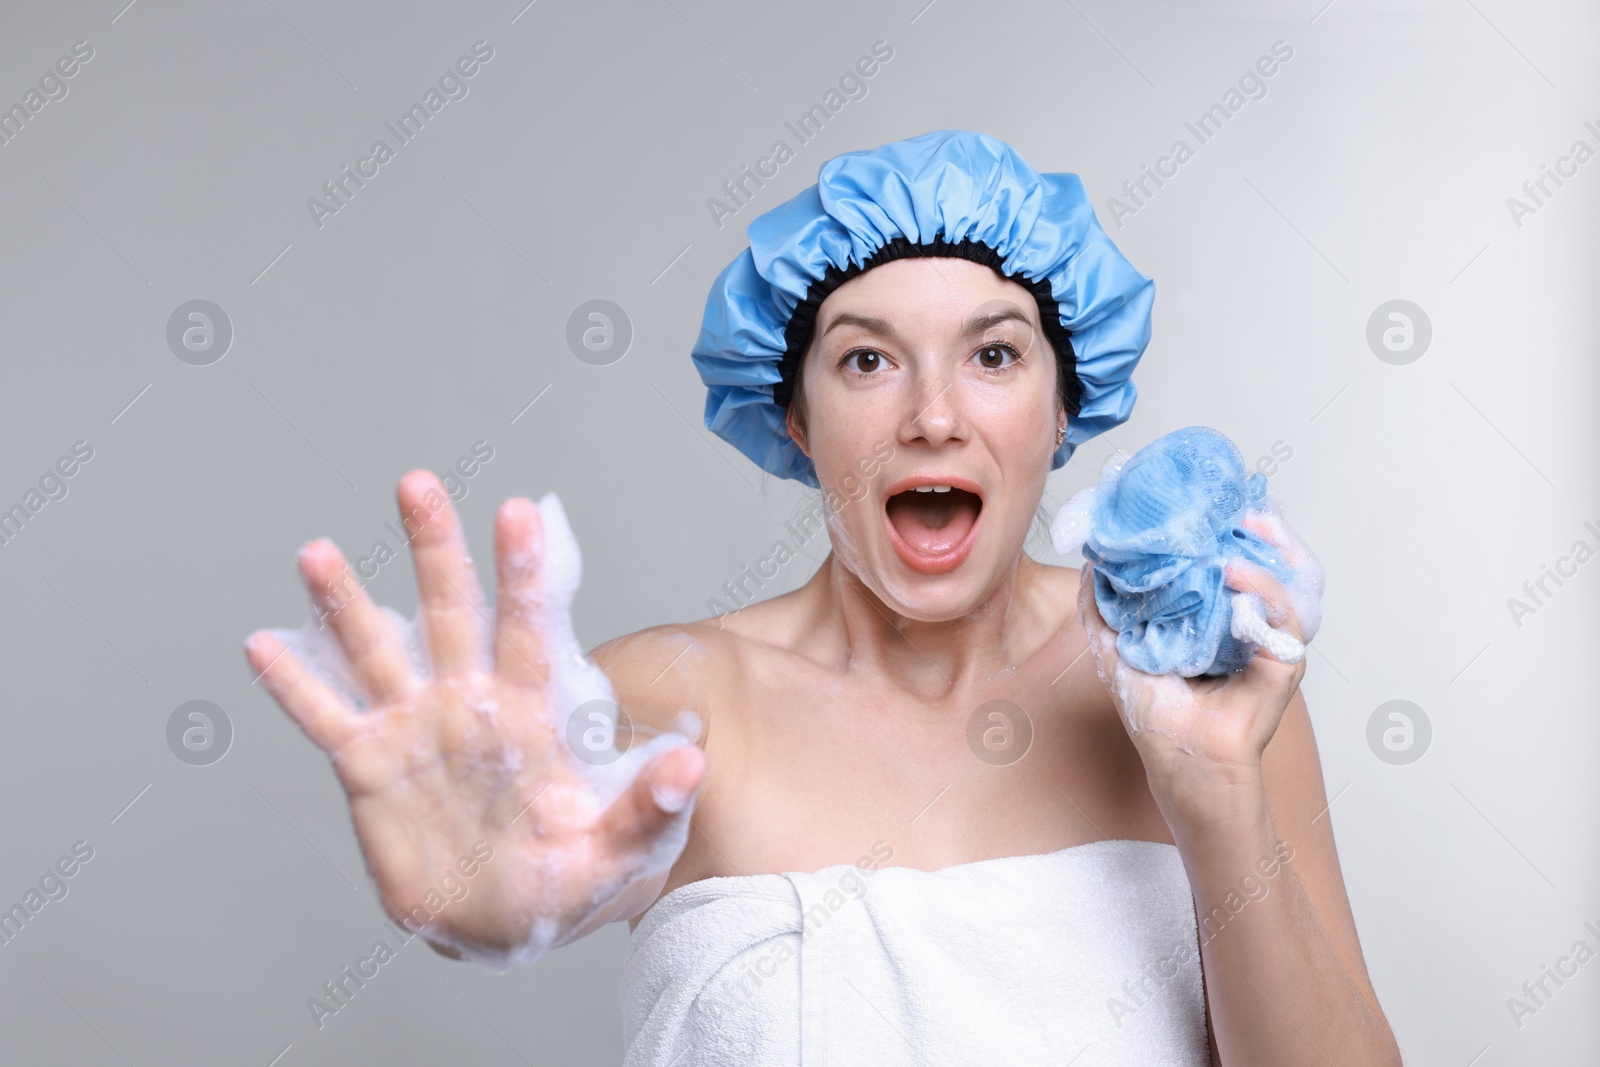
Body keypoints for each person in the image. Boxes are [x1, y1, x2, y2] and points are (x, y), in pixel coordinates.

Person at [244, 130, 1401, 1065]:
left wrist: (1215, 799)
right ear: (793, 418)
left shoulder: (1196, 694)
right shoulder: (675, 696)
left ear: (1066, 404)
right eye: (866, 359)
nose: (934, 416)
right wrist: (480, 884)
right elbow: (545, 826)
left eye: (994, 355)